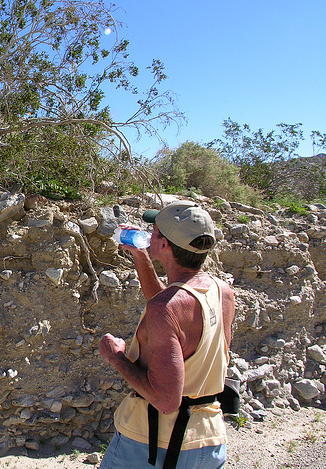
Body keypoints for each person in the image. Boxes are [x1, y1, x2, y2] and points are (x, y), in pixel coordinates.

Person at [98, 200, 235, 469]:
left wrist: (116, 357)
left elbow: (165, 400)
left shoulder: (166, 308)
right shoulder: (222, 292)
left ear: (164, 245)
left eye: (155, 232)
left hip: (154, 442)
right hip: (209, 440)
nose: (149, 235)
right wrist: (141, 257)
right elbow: (172, 310)